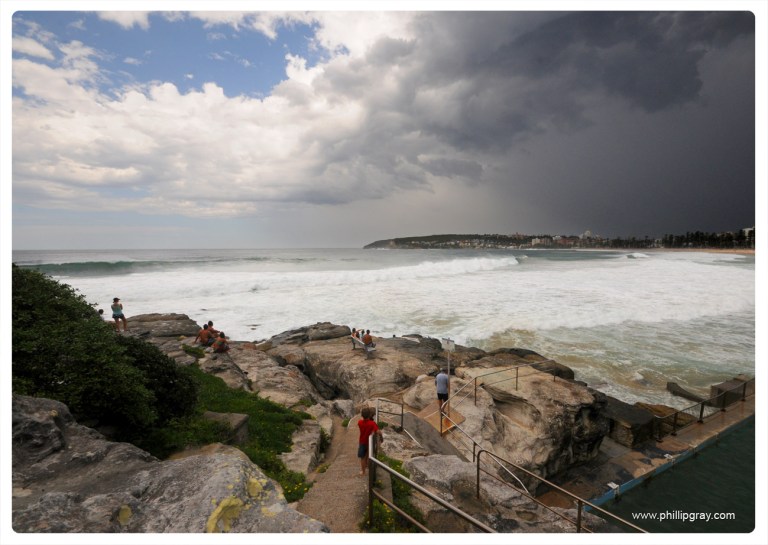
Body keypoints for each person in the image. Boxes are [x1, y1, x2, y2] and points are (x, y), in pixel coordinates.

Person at [357, 406, 383, 477]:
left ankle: (363, 471)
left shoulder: (359, 422)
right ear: (370, 415)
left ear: (362, 415)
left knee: (362, 457)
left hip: (362, 441)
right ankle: (368, 465)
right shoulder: (372, 424)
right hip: (369, 442)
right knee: (368, 454)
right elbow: (378, 431)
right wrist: (381, 437)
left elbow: (361, 420)